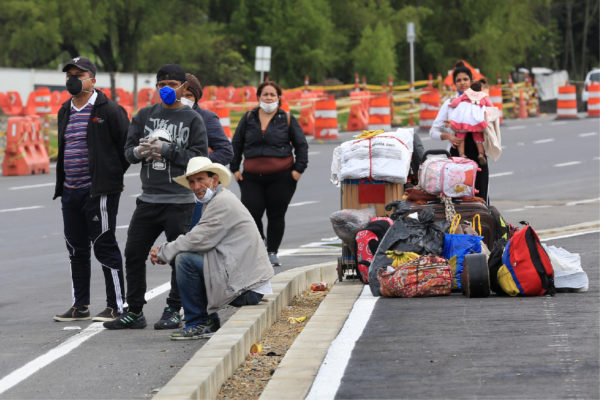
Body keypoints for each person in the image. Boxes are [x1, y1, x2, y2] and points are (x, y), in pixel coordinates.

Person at [104, 64, 208, 330]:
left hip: (179, 201)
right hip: (149, 199)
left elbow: (199, 159)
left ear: (184, 87)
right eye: (161, 85)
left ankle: (174, 308)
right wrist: (139, 152)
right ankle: (135, 310)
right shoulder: (144, 116)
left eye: (172, 84)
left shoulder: (192, 119)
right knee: (134, 252)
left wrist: (168, 149)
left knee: (178, 256)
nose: (166, 89)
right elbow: (127, 153)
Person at [149, 157, 274, 340]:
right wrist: (167, 250)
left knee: (184, 260)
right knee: (189, 256)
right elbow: (200, 239)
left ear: (214, 180)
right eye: (192, 182)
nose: (196, 186)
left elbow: (198, 239)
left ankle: (200, 322)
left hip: (249, 289)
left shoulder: (222, 202)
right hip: (247, 283)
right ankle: (208, 320)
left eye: (201, 180)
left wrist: (164, 251)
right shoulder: (217, 199)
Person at [53, 56, 130, 322]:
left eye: (79, 74)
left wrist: (112, 176)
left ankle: (116, 305)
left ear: (93, 80)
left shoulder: (109, 110)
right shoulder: (65, 110)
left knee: (104, 244)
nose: (73, 79)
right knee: (76, 248)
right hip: (70, 190)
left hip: (98, 191)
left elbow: (126, 149)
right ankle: (80, 305)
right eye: (69, 75)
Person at [230, 81, 309, 267]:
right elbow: (236, 143)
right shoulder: (249, 117)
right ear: (258, 97)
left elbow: (301, 145)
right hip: (251, 176)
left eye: (272, 95)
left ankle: (272, 251)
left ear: (279, 98)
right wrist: (234, 169)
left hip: (282, 177)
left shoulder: (287, 118)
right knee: (251, 212)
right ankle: (260, 245)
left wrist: (298, 170)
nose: (269, 98)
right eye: (265, 95)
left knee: (276, 214)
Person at [430, 61, 490, 203]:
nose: (462, 83)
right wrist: (449, 136)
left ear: (471, 81)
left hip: (478, 153)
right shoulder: (450, 103)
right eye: (458, 80)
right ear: (454, 84)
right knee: (458, 198)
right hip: (457, 156)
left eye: (465, 79)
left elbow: (490, 124)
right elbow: (433, 131)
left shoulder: (481, 100)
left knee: (481, 196)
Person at [181, 73, 233, 228]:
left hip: (195, 189)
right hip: (167, 190)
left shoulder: (207, 118)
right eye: (181, 95)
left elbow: (226, 151)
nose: (184, 99)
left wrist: (198, 166)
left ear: (196, 97)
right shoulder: (163, 117)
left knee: (192, 236)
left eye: (189, 95)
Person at [448, 79, 493, 165]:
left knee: (461, 137)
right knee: (478, 138)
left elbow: (456, 102)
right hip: (476, 121)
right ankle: (481, 154)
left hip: (464, 120)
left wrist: (451, 104)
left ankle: (462, 155)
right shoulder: (483, 96)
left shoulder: (466, 94)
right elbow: (490, 105)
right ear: (480, 88)